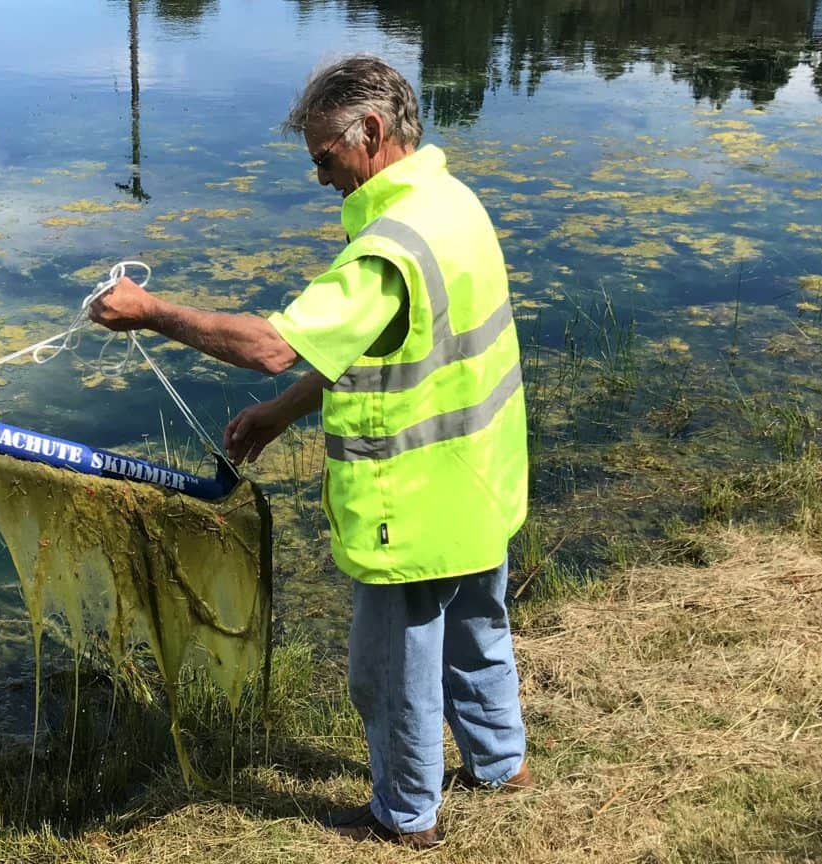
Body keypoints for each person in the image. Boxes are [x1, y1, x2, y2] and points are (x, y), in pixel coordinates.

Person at [87, 54, 531, 847]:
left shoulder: (389, 248)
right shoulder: (452, 202)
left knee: (388, 672)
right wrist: (282, 415)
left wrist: (152, 313)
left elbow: (271, 346)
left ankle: (405, 817)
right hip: (482, 481)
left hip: (416, 507)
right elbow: (386, 347)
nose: (321, 177)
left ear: (371, 131)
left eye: (325, 157)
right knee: (477, 628)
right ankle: (502, 765)